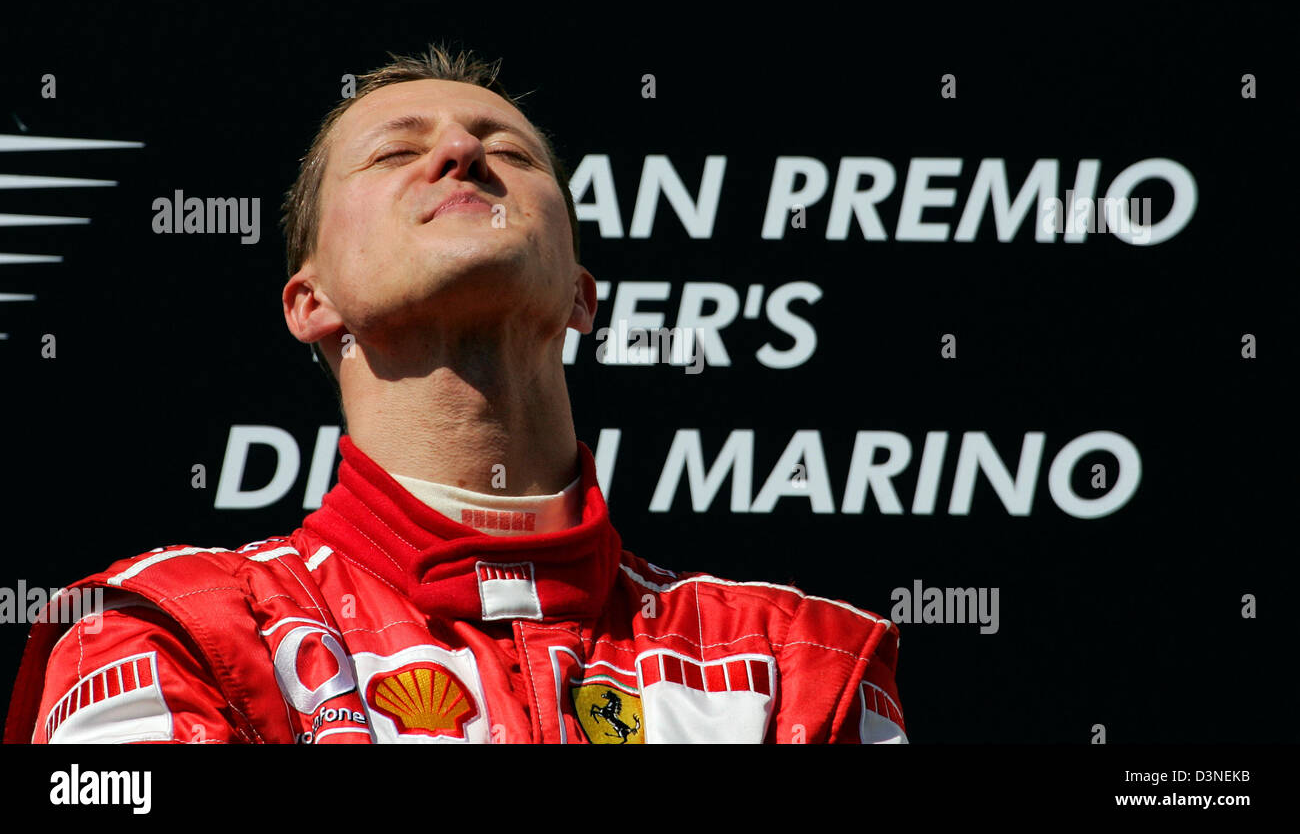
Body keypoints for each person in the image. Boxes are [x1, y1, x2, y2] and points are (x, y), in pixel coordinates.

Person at [4, 43, 906, 744]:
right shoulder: (166, 627)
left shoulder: (799, 656)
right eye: (397, 151)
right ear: (310, 301)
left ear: (583, 296)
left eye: (509, 151)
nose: (464, 152)